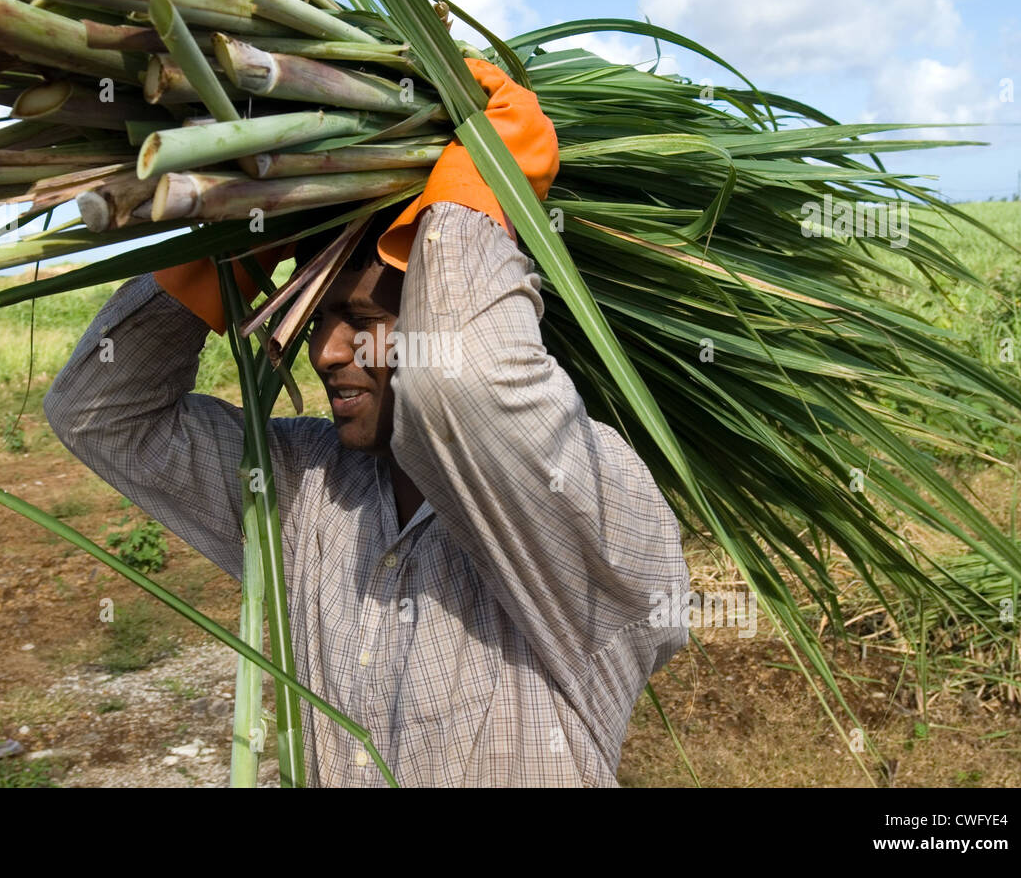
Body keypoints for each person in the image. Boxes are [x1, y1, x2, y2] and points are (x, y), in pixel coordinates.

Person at [44, 59, 689, 787]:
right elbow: (99, 414)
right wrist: (237, 248)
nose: (323, 352)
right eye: (318, 319)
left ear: (449, 308)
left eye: (364, 321)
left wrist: (482, 186)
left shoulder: (584, 504)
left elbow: (465, 385)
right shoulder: (304, 487)